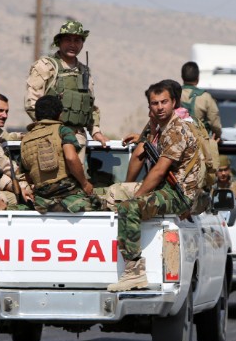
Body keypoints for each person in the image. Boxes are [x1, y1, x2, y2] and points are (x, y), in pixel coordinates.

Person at [108, 81, 203, 292]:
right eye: (155, 103)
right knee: (108, 194)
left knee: (129, 207)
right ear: (149, 107)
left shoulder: (176, 130)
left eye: (164, 102)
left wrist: (136, 197)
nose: (160, 107)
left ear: (174, 103)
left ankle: (134, 273)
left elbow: (159, 171)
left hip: (179, 195)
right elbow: (141, 155)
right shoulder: (161, 128)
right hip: (165, 190)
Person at [24, 20, 109, 167]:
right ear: (59, 42)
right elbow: (32, 103)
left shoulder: (84, 71)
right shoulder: (46, 67)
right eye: (68, 39)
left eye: (77, 40)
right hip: (49, 139)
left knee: (75, 183)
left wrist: (96, 132)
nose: (72, 44)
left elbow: (89, 106)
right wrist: (50, 129)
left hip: (77, 139)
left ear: (82, 44)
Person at [20, 95, 99, 213]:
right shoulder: (62, 130)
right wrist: (85, 183)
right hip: (68, 195)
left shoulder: (25, 139)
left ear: (36, 115)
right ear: (59, 114)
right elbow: (71, 158)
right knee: (100, 204)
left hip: (42, 199)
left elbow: (26, 174)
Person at [0, 93, 33, 206]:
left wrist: (26, 135)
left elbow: (7, 136)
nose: (5, 115)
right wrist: (27, 176)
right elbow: (5, 165)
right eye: (0, 110)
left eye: (6, 111)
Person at [180, 61, 222, 139]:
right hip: (199, 143)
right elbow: (215, 124)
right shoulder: (206, 98)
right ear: (198, 77)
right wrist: (217, 137)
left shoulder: (173, 95)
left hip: (177, 141)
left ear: (182, 77)